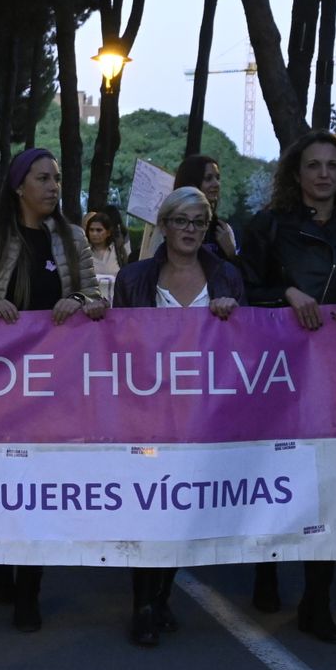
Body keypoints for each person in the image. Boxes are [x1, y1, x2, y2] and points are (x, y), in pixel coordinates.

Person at [239, 129, 336, 644]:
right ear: (295, 173)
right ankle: (265, 570)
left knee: (328, 483)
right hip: (274, 371)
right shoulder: (267, 225)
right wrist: (286, 294)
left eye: (333, 166)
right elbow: (244, 288)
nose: (324, 174)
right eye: (314, 165)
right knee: (272, 473)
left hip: (333, 373)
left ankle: (316, 601)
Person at [0, 147, 105, 631]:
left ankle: (29, 590)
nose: (53, 186)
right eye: (43, 178)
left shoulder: (72, 237)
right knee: (3, 480)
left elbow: (98, 298)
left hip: (56, 383)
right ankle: (2, 565)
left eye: (56, 178)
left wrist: (78, 299)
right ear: (19, 186)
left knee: (39, 482)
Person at [113, 186, 245, 646]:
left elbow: (245, 345)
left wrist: (232, 314)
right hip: (148, 414)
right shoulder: (133, 278)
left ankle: (163, 595)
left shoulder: (226, 276)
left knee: (183, 508)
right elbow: (115, 344)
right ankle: (143, 606)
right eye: (182, 221)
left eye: (199, 222)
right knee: (150, 509)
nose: (190, 230)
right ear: (165, 225)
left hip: (203, 418)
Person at [85, 211, 120, 298]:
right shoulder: (83, 252)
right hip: (90, 301)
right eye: (91, 230)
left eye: (99, 230)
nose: (94, 234)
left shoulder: (118, 251)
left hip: (115, 300)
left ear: (108, 232)